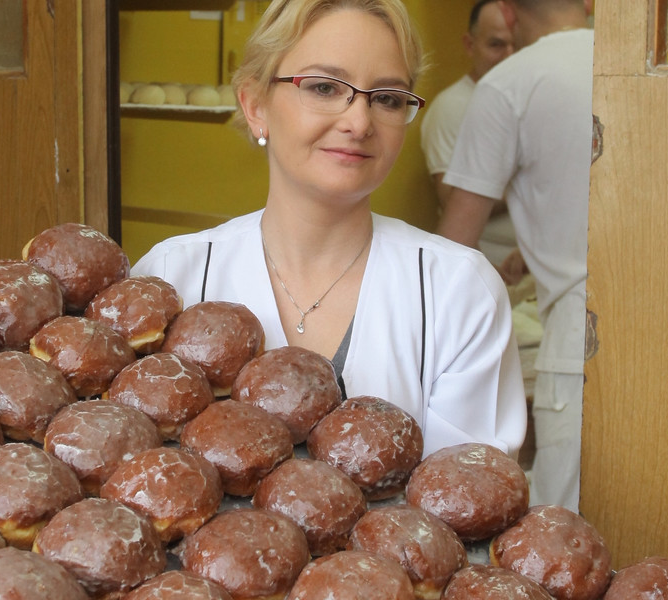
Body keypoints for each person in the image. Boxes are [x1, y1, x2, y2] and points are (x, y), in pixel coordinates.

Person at [131, 0, 527, 458]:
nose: (359, 123)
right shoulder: (170, 278)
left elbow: (468, 503)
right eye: (323, 87)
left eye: (387, 98)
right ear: (255, 104)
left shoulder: (458, 290)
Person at [437, 0, 593, 511]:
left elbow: (458, 243)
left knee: (564, 528)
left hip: (582, 338)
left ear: (505, 10)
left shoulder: (508, 85)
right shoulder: (638, 71)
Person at [420, 0, 519, 272]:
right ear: (469, 44)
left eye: (517, 44)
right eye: (496, 45)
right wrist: (531, 175)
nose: (510, 56)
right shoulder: (451, 107)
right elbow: (452, 202)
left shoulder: (531, 99)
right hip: (493, 271)